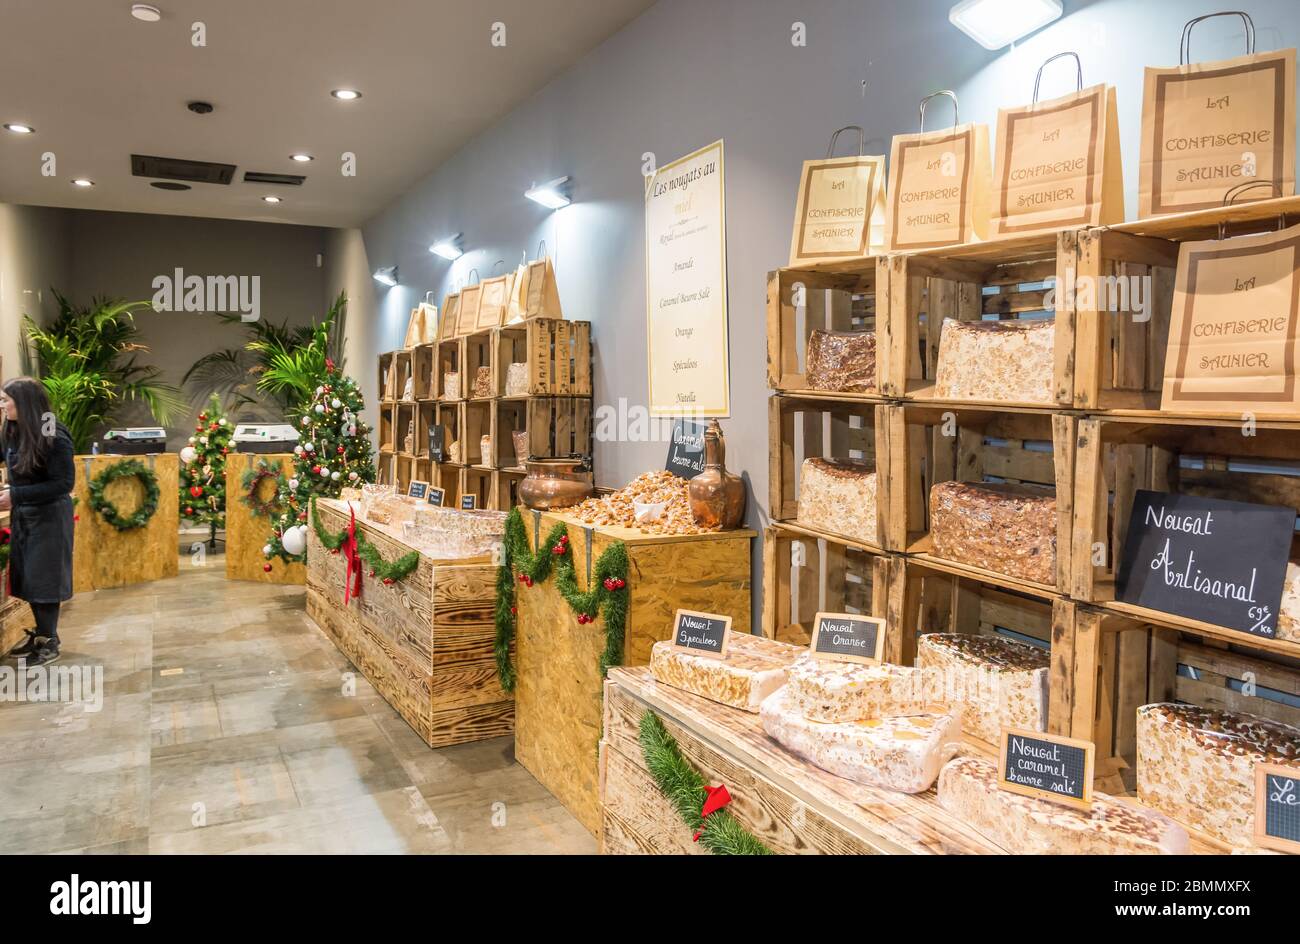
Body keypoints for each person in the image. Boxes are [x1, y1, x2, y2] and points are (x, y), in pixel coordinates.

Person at [0, 377, 75, 666]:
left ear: (25, 403)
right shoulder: (13, 429)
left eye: (7, 400)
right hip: (26, 516)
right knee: (28, 578)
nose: (3, 405)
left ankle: (49, 641)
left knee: (43, 580)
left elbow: (63, 483)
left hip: (50, 518)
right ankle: (42, 634)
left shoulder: (53, 433)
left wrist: (15, 494)